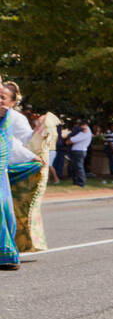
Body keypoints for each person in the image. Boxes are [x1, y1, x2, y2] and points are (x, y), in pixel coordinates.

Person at [0, 80, 52, 268]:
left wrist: (41, 133)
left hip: (6, 168)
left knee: (4, 210)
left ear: (13, 102)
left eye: (2, 97)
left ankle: (7, 254)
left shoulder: (11, 117)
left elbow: (23, 142)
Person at [67, 119, 91, 187]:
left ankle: (81, 183)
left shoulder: (85, 132)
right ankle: (76, 182)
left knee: (79, 167)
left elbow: (71, 140)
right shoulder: (84, 131)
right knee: (75, 167)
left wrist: (69, 139)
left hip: (79, 151)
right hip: (78, 151)